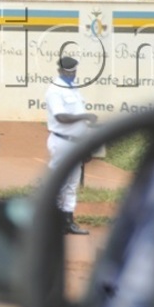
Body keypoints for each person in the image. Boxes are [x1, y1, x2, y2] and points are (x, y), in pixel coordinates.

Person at [45, 56, 98, 235]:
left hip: (76, 143)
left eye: (73, 71)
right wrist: (85, 117)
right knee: (59, 183)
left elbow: (78, 114)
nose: (71, 74)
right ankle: (49, 222)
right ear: (60, 71)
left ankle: (67, 222)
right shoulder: (54, 90)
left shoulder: (73, 88)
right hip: (62, 142)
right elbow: (61, 117)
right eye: (68, 71)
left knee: (71, 185)